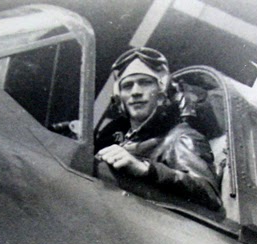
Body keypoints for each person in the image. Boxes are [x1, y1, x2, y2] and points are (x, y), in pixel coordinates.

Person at [94, 47, 222, 211]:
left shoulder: (180, 137)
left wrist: (147, 169)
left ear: (162, 91)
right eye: (127, 85)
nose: (136, 92)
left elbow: (209, 193)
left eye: (145, 83)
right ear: (119, 97)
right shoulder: (112, 135)